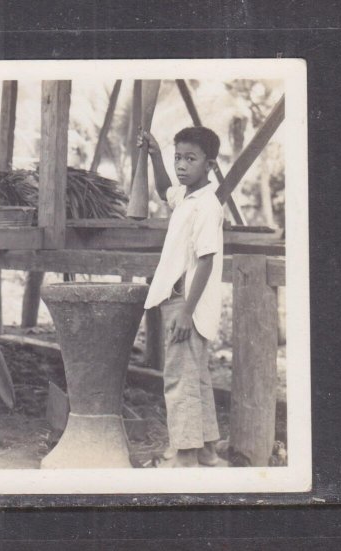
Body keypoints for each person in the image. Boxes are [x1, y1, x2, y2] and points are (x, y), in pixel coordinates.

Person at [140, 127, 224, 468]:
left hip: (186, 303)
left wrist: (185, 313)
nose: (182, 165)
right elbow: (165, 191)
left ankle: (185, 458)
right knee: (197, 378)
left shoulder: (206, 205)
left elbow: (206, 259)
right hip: (184, 302)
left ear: (210, 164)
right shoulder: (189, 197)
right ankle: (207, 451)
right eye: (179, 157)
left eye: (191, 158)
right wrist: (156, 155)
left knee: (179, 378)